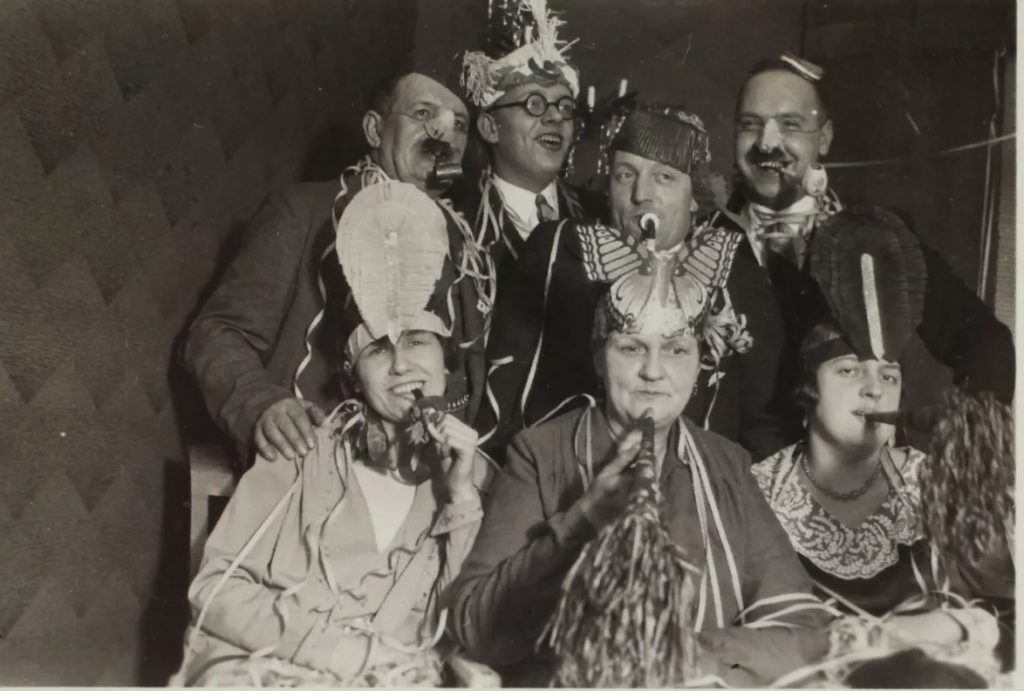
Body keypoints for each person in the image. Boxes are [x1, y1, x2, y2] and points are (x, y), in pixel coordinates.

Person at [449, 223, 831, 687]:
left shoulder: (727, 463)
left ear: (699, 363)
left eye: (675, 350)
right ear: (598, 357)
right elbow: (477, 629)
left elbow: (805, 633)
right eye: (631, 347)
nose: (653, 371)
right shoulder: (539, 454)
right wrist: (585, 515)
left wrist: (688, 659)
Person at [172, 182, 492, 686]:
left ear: (445, 363)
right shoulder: (302, 450)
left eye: (418, 342)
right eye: (378, 351)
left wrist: (461, 499)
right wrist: (338, 655)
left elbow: (464, 630)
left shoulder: (469, 480)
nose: (403, 363)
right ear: (352, 375)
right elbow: (216, 592)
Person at [751, 207, 1012, 686]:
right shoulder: (753, 495)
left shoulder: (936, 486)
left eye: (888, 375)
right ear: (808, 392)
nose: (874, 390)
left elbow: (1009, 626)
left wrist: (910, 633)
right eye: (848, 371)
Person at [184, 68, 493, 465]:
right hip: (313, 471)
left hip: (426, 487)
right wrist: (261, 405)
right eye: (423, 113)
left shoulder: (470, 252)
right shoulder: (303, 212)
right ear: (374, 130)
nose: (443, 132)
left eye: (459, 125)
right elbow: (216, 333)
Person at [707, 53, 1014, 437]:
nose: (767, 144)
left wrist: (969, 447)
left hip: (860, 483)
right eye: (750, 125)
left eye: (790, 125)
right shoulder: (701, 243)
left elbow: (987, 343)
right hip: (732, 485)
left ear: (825, 139)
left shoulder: (880, 238)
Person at [478, 102, 789, 459]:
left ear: (694, 199)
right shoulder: (558, 253)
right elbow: (502, 394)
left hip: (692, 485)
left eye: (665, 177)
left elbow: (765, 424)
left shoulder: (734, 272)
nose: (641, 194)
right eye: (625, 175)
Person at [460, 0, 605, 267]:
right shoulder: (458, 224)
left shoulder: (601, 216)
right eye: (534, 104)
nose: (555, 117)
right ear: (490, 127)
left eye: (565, 106)